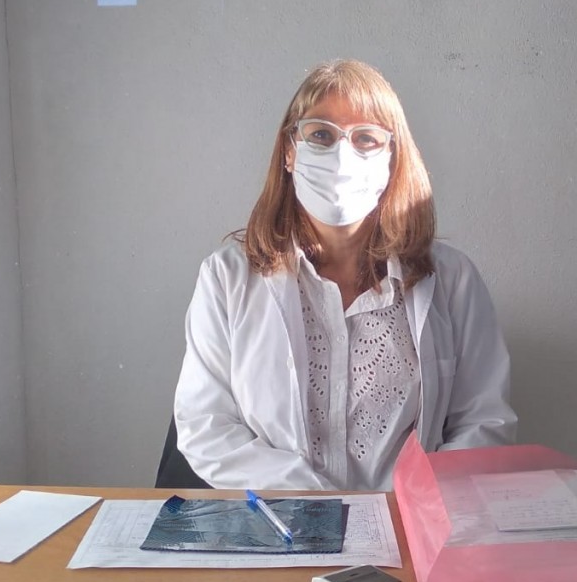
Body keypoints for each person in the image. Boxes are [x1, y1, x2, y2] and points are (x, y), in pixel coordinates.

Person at [174, 59, 516, 490]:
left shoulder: (453, 279)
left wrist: (415, 499)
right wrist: (314, 502)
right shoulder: (226, 277)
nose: (342, 156)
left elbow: (484, 421)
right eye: (321, 135)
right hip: (284, 519)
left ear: (392, 158)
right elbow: (206, 426)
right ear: (289, 151)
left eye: (366, 139)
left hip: (407, 520)